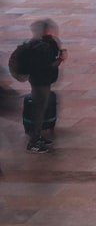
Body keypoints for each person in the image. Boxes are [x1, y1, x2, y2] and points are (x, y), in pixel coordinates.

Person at [22, 19, 67, 153]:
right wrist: (60, 59)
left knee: (40, 110)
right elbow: (47, 67)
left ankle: (37, 137)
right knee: (39, 112)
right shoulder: (43, 47)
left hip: (38, 81)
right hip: (40, 83)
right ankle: (33, 142)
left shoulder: (37, 44)